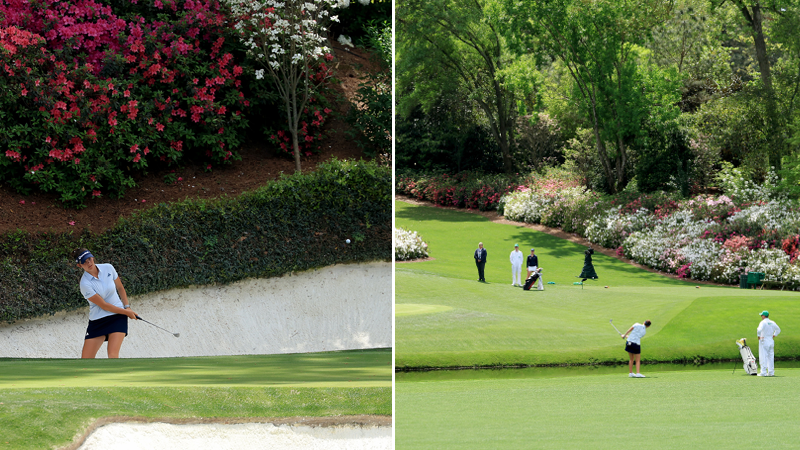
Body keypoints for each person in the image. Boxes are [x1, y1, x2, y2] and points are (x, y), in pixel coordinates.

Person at [73, 248, 139, 358]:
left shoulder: (108, 268)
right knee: (86, 359)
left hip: (118, 316)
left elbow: (120, 287)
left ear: (93, 257)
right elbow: (104, 305)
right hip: (98, 320)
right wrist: (126, 312)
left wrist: (127, 307)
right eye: (84, 261)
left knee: (112, 354)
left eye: (90, 259)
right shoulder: (85, 284)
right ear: (79, 266)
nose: (89, 263)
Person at [757, 310, 781, 377]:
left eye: (762, 315)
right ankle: (771, 372)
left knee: (763, 356)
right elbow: (778, 329)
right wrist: (774, 335)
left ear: (764, 316)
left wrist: (758, 336)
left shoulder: (763, 322)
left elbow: (758, 330)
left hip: (764, 340)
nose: (761, 316)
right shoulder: (772, 322)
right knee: (770, 357)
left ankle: (763, 372)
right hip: (770, 340)